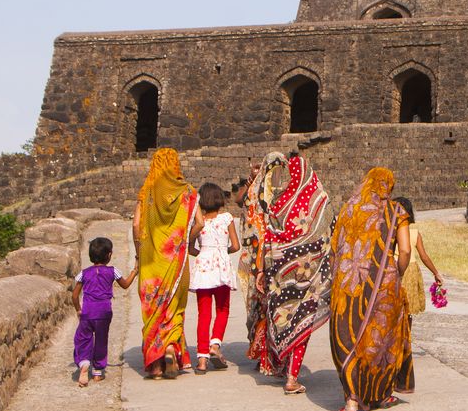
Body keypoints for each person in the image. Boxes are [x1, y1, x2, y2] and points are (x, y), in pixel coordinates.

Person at [243, 151, 334, 394]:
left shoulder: (279, 203)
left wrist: (262, 270)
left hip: (281, 277)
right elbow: (328, 236)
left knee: (282, 319)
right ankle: (292, 377)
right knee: (302, 325)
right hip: (310, 277)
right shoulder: (320, 201)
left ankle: (281, 365)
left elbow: (270, 239)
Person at [328, 167, 413, 411]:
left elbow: (335, 248)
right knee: (381, 339)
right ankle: (381, 393)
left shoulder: (347, 210)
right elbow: (406, 250)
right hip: (384, 283)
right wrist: (395, 271)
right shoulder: (396, 211)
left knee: (351, 336)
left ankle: (353, 399)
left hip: (348, 282)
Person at [133, 147, 198, 379]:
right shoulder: (188, 192)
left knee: (153, 311)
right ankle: (171, 347)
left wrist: (139, 253)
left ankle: (157, 365)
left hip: (151, 266)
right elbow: (198, 222)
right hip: (177, 262)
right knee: (174, 309)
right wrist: (185, 241)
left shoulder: (147, 192)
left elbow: (136, 226)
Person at [188, 182, 240, 373]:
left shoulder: (198, 222)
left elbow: (189, 247)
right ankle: (215, 345)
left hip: (203, 267)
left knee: (204, 314)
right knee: (223, 309)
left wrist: (204, 252)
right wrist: (221, 251)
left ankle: (201, 360)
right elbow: (236, 246)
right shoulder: (227, 218)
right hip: (221, 267)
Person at [72, 236, 138, 387]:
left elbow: (74, 295)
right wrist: (135, 271)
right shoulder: (113, 271)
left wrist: (78, 310)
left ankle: (84, 363)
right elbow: (126, 285)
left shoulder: (84, 273)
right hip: (104, 312)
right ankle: (98, 372)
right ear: (109, 255)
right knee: (101, 339)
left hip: (87, 311)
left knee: (83, 338)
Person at [393, 196, 444, 322]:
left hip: (396, 268)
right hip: (411, 270)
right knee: (408, 309)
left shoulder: (391, 231)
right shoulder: (415, 232)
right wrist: (435, 273)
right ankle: (407, 336)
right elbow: (424, 257)